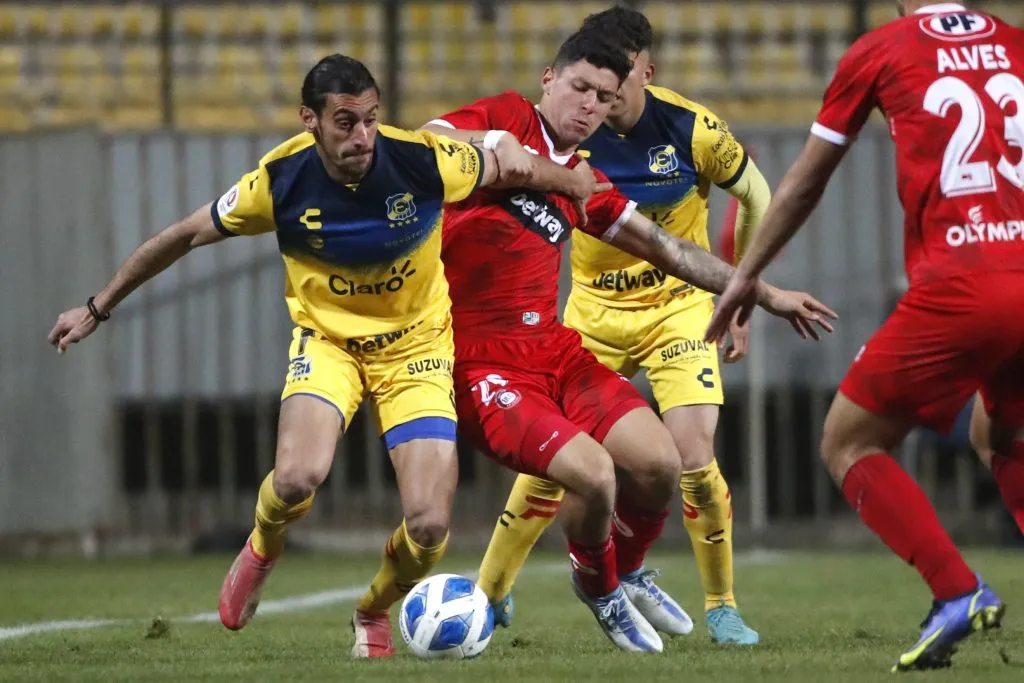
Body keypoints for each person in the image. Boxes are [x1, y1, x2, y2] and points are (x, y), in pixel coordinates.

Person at [46, 53, 602, 659]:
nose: (362, 136)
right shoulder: (278, 181)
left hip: (414, 350)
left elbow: (506, 165)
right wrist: (97, 307)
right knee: (295, 477)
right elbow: (182, 237)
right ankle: (263, 543)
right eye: (344, 122)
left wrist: (569, 179)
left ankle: (374, 611)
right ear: (309, 119)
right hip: (330, 345)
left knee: (429, 527)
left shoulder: (421, 160)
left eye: (369, 119)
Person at [422, 31, 835, 652]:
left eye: (603, 96)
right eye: (579, 88)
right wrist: (503, 150)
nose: (588, 105)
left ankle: (617, 576)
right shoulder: (507, 117)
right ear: (548, 79)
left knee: (662, 462)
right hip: (483, 361)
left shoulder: (587, 181)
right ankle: (592, 586)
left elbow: (666, 248)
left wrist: (763, 293)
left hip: (557, 348)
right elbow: (428, 144)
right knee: (589, 473)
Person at [706, 1, 1023, 672]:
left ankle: (956, 590)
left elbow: (803, 184)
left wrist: (744, 278)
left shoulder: (882, 48)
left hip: (962, 283)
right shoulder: (1015, 42)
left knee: (848, 440)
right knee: (997, 432)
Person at [473, 6, 767, 646]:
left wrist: (739, 294)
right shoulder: (566, 133)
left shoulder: (691, 129)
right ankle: (491, 590)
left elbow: (759, 198)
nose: (601, 99)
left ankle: (720, 604)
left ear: (644, 72)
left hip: (676, 309)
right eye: (590, 84)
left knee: (691, 455)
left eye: (615, 83)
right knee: (555, 458)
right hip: (592, 314)